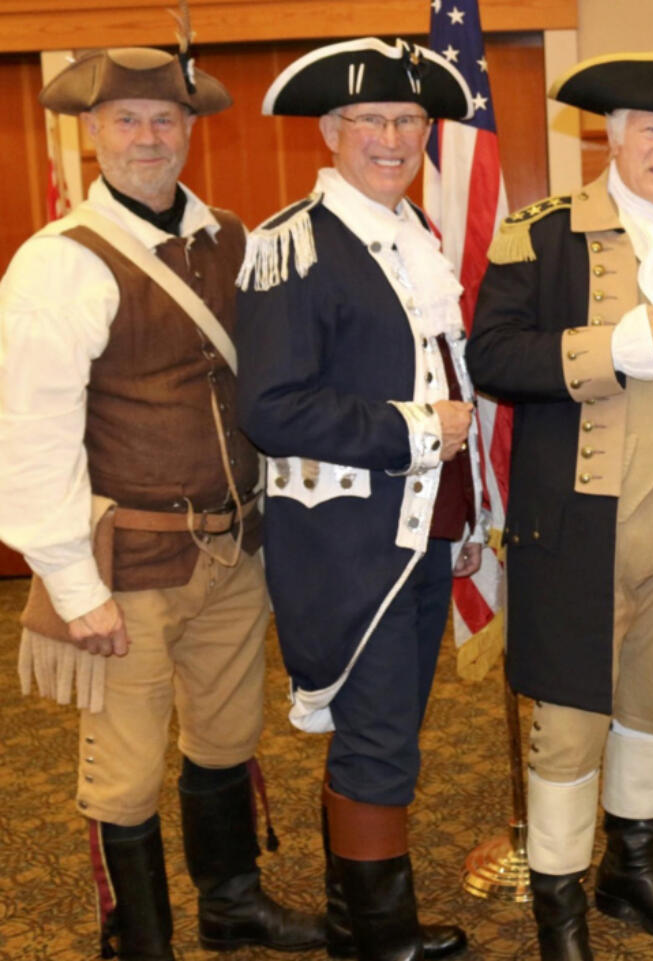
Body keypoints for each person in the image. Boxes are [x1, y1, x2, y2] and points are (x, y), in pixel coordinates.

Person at [0, 47, 324, 960]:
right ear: (93, 131)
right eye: (127, 120)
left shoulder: (235, 236)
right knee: (126, 773)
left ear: (190, 130)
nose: (148, 138)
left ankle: (231, 907)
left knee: (226, 736)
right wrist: (71, 585)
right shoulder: (58, 265)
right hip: (128, 566)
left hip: (235, 549)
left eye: (165, 120)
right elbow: (29, 436)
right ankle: (138, 940)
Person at [468, 50, 653, 961]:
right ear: (615, 135)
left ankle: (630, 872)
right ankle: (558, 904)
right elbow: (493, 357)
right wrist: (604, 348)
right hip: (580, 524)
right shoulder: (541, 233)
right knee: (571, 717)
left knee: (651, 701)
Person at [235, 37, 483, 961]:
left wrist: (468, 509)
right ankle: (378, 937)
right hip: (348, 539)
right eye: (371, 121)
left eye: (408, 120)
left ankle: (358, 920)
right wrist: (416, 432)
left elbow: (448, 372)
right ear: (332, 131)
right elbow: (270, 404)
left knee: (386, 731)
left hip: (426, 526)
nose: (392, 136)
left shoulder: (416, 234)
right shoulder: (291, 243)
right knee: (379, 736)